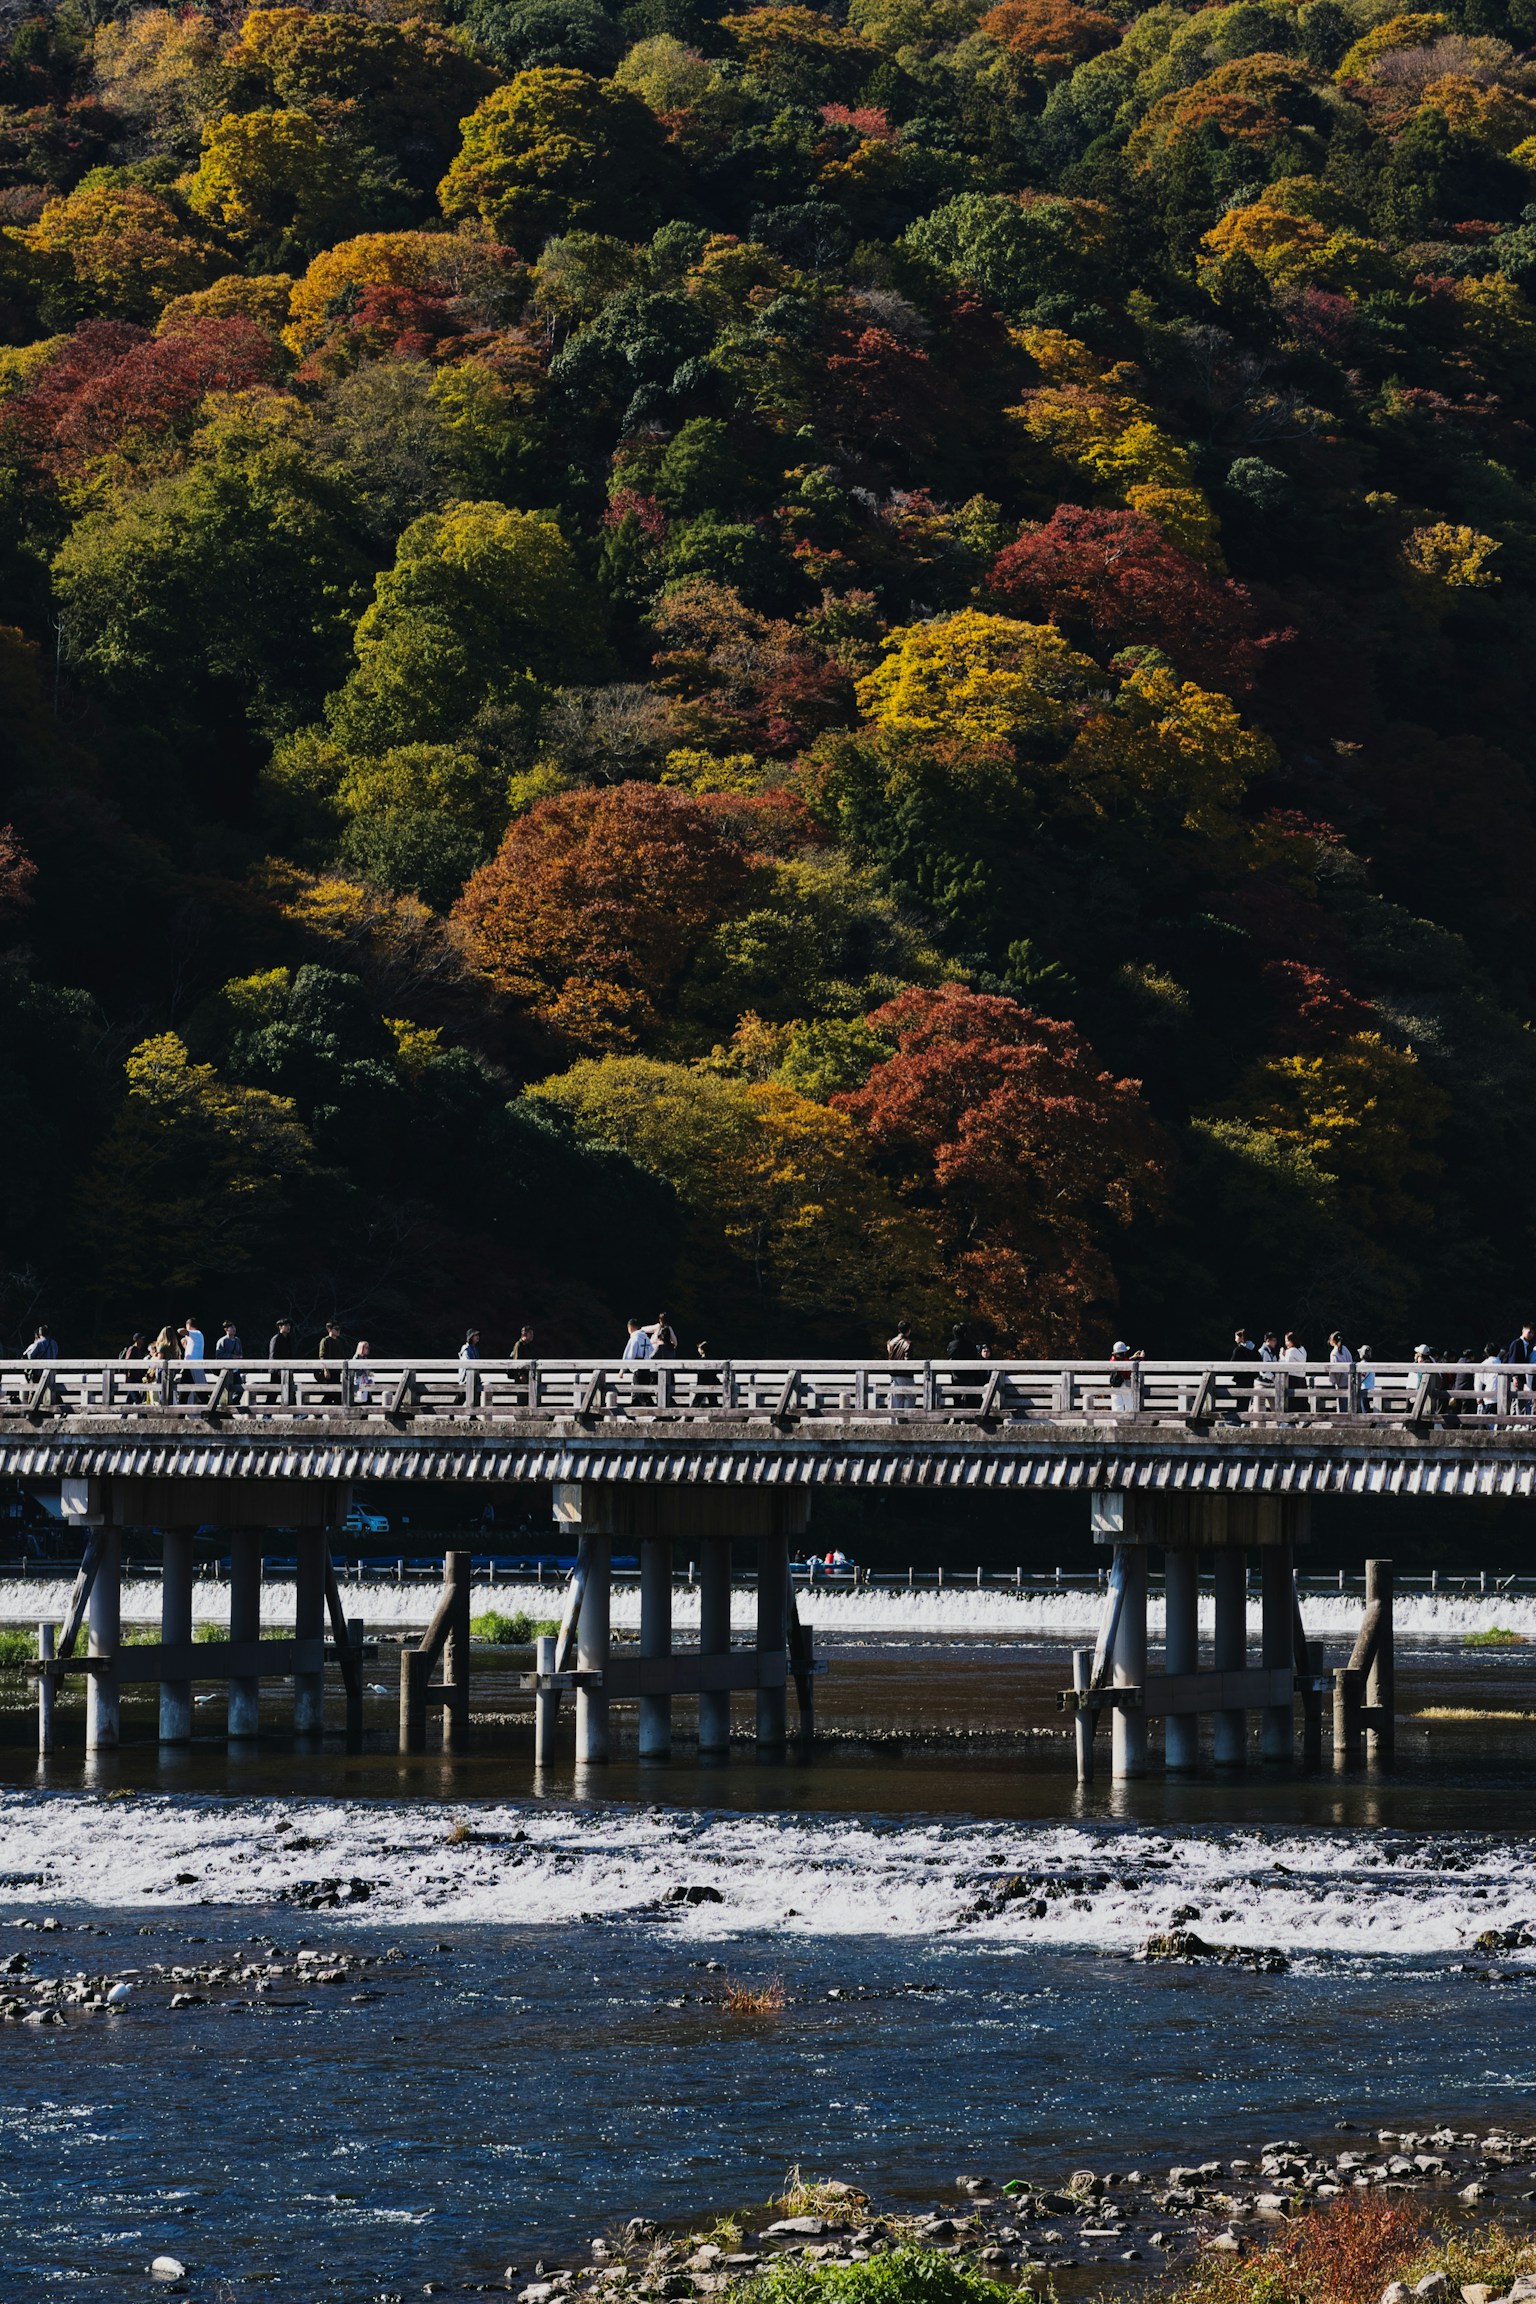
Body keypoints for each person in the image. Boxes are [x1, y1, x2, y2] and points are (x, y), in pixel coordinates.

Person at [1229, 1327, 1260, 1419]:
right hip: (1252, 1378)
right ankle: (1247, 1419)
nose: (1235, 1339)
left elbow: (1232, 1364)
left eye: (1236, 1337)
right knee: (1249, 1400)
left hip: (1241, 1378)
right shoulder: (1254, 1349)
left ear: (1241, 1338)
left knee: (1241, 1399)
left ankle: (1240, 1419)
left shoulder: (1238, 1350)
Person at [1281, 1331, 1308, 1414]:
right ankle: (1305, 1418)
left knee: (1293, 1401)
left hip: (1292, 1378)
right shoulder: (1302, 1349)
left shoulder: (1290, 1351)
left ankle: (1292, 1421)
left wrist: (1281, 1355)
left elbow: (1284, 1364)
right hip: (1302, 1378)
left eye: (1287, 1341)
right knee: (1302, 1399)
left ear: (1292, 1341)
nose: (1286, 1343)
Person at [1327, 1330, 1353, 1411]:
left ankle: (1341, 1420)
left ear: (1333, 1340)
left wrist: (1335, 1381)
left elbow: (1335, 1369)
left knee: (1341, 1402)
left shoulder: (1334, 1353)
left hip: (1340, 1380)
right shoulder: (1345, 1349)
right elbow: (1351, 1361)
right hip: (1348, 1378)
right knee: (1347, 1401)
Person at [1476, 1342, 1504, 1415]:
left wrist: (1478, 1397)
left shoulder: (1482, 1364)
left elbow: (1478, 1383)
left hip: (1488, 1396)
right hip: (1502, 1396)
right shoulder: (1501, 1364)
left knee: (1488, 1420)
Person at [351, 1338, 373, 1403]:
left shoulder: (365, 1358)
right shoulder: (356, 1358)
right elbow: (354, 1370)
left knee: (368, 1399)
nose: (368, 1349)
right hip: (358, 1381)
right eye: (366, 1348)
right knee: (360, 1399)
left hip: (365, 1380)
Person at [1357, 1346, 1376, 1411]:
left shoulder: (1363, 1364)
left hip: (1364, 1388)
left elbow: (1362, 1377)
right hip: (1370, 1387)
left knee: (1364, 1408)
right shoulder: (1371, 1364)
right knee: (1367, 1407)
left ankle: (1366, 1421)